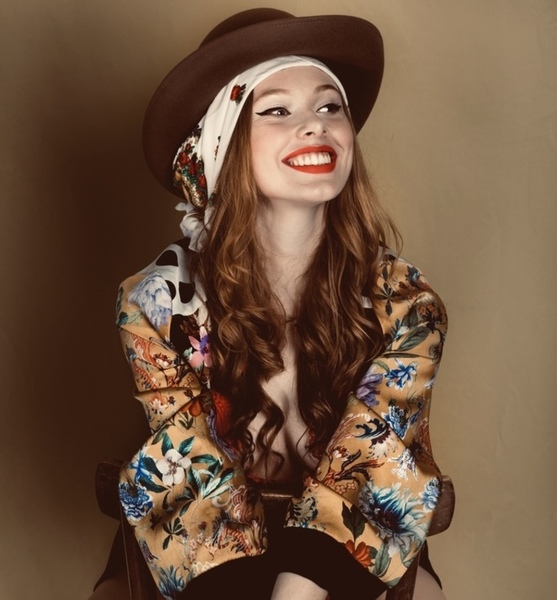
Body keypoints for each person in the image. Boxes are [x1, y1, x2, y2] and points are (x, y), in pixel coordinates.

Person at [103, 8, 448, 600]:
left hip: (347, 563)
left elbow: (375, 466)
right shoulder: (156, 305)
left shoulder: (407, 305)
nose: (315, 125)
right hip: (207, 566)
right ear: (223, 143)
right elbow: (186, 478)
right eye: (277, 111)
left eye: (330, 106)